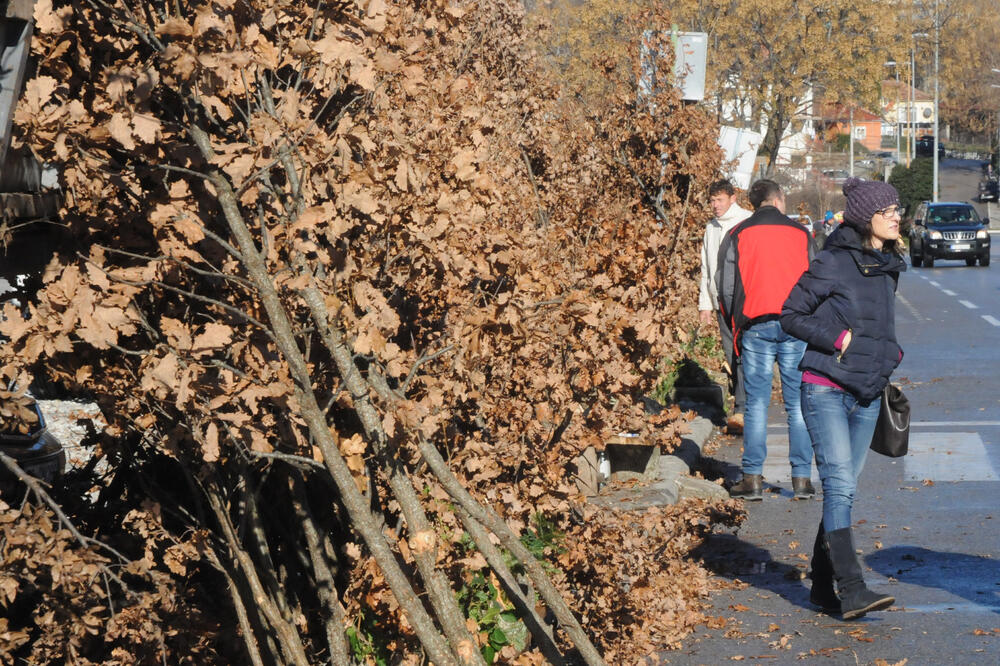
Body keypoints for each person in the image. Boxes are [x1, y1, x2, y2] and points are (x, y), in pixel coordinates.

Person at [780, 177, 904, 620]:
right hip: (826, 387)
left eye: (897, 210)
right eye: (888, 210)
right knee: (840, 485)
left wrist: (890, 355)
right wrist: (837, 338)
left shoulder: (888, 264)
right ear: (866, 217)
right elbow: (790, 314)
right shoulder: (832, 261)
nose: (896, 217)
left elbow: (882, 324)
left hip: (868, 393)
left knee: (843, 491)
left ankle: (819, 583)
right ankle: (852, 588)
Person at [716, 179, 816, 501]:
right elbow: (817, 282)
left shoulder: (738, 235)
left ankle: (752, 478)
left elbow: (727, 287)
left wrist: (736, 323)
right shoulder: (801, 235)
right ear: (780, 199)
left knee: (757, 404)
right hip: (795, 326)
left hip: (756, 325)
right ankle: (802, 479)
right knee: (797, 405)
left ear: (753, 203)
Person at [699, 179, 752, 432]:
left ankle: (743, 408)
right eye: (711, 200)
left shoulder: (747, 221)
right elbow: (706, 269)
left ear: (732, 198)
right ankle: (742, 404)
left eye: (719, 200)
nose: (715, 205)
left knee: (743, 351)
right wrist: (705, 304)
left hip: (744, 300)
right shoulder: (711, 228)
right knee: (731, 353)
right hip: (720, 300)